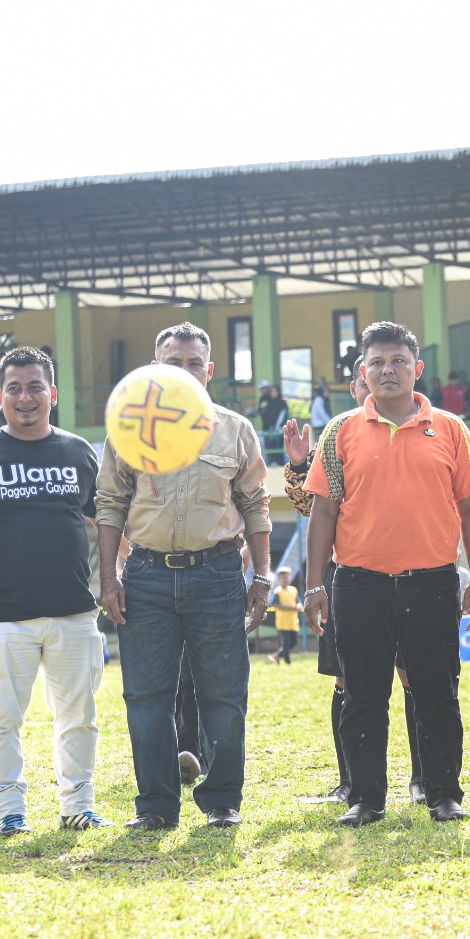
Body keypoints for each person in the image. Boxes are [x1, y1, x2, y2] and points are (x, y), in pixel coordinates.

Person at [303, 321, 470, 826]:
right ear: (364, 371)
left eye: (399, 362)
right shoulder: (339, 430)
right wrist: (315, 583)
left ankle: (443, 793)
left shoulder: (451, 429)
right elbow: (323, 510)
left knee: (436, 693)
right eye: (378, 363)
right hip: (358, 584)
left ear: (417, 369)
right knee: (362, 695)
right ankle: (366, 798)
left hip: (431, 582)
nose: (388, 370)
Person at [96, 323, 272, 831]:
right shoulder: (128, 429)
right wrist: (109, 579)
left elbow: (255, 504)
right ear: (156, 369)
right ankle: (155, 806)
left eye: (195, 363)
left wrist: (261, 577)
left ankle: (221, 801)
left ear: (209, 370)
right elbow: (109, 505)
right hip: (146, 576)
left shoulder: (234, 428)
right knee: (146, 696)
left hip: (217, 573)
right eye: (174, 363)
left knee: (224, 692)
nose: (186, 371)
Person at [0, 346, 109, 835]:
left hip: (74, 612)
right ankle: (9, 810)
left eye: (34, 387)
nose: (25, 397)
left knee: (79, 718)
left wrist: (114, 583)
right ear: (0, 396)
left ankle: (78, 805)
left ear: (53, 394)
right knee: (0, 720)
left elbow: (109, 524)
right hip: (2, 616)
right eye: (14, 388)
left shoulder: (77, 453)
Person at [269, 568, 300, 665]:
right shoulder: (278, 592)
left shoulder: (293, 590)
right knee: (286, 643)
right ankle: (288, 661)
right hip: (283, 621)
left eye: (286, 577)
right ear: (278, 579)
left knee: (294, 641)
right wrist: (291, 608)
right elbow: (275, 605)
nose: (285, 579)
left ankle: (277, 656)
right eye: (282, 577)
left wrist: (298, 606)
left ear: (290, 578)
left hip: (293, 621)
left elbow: (298, 602)